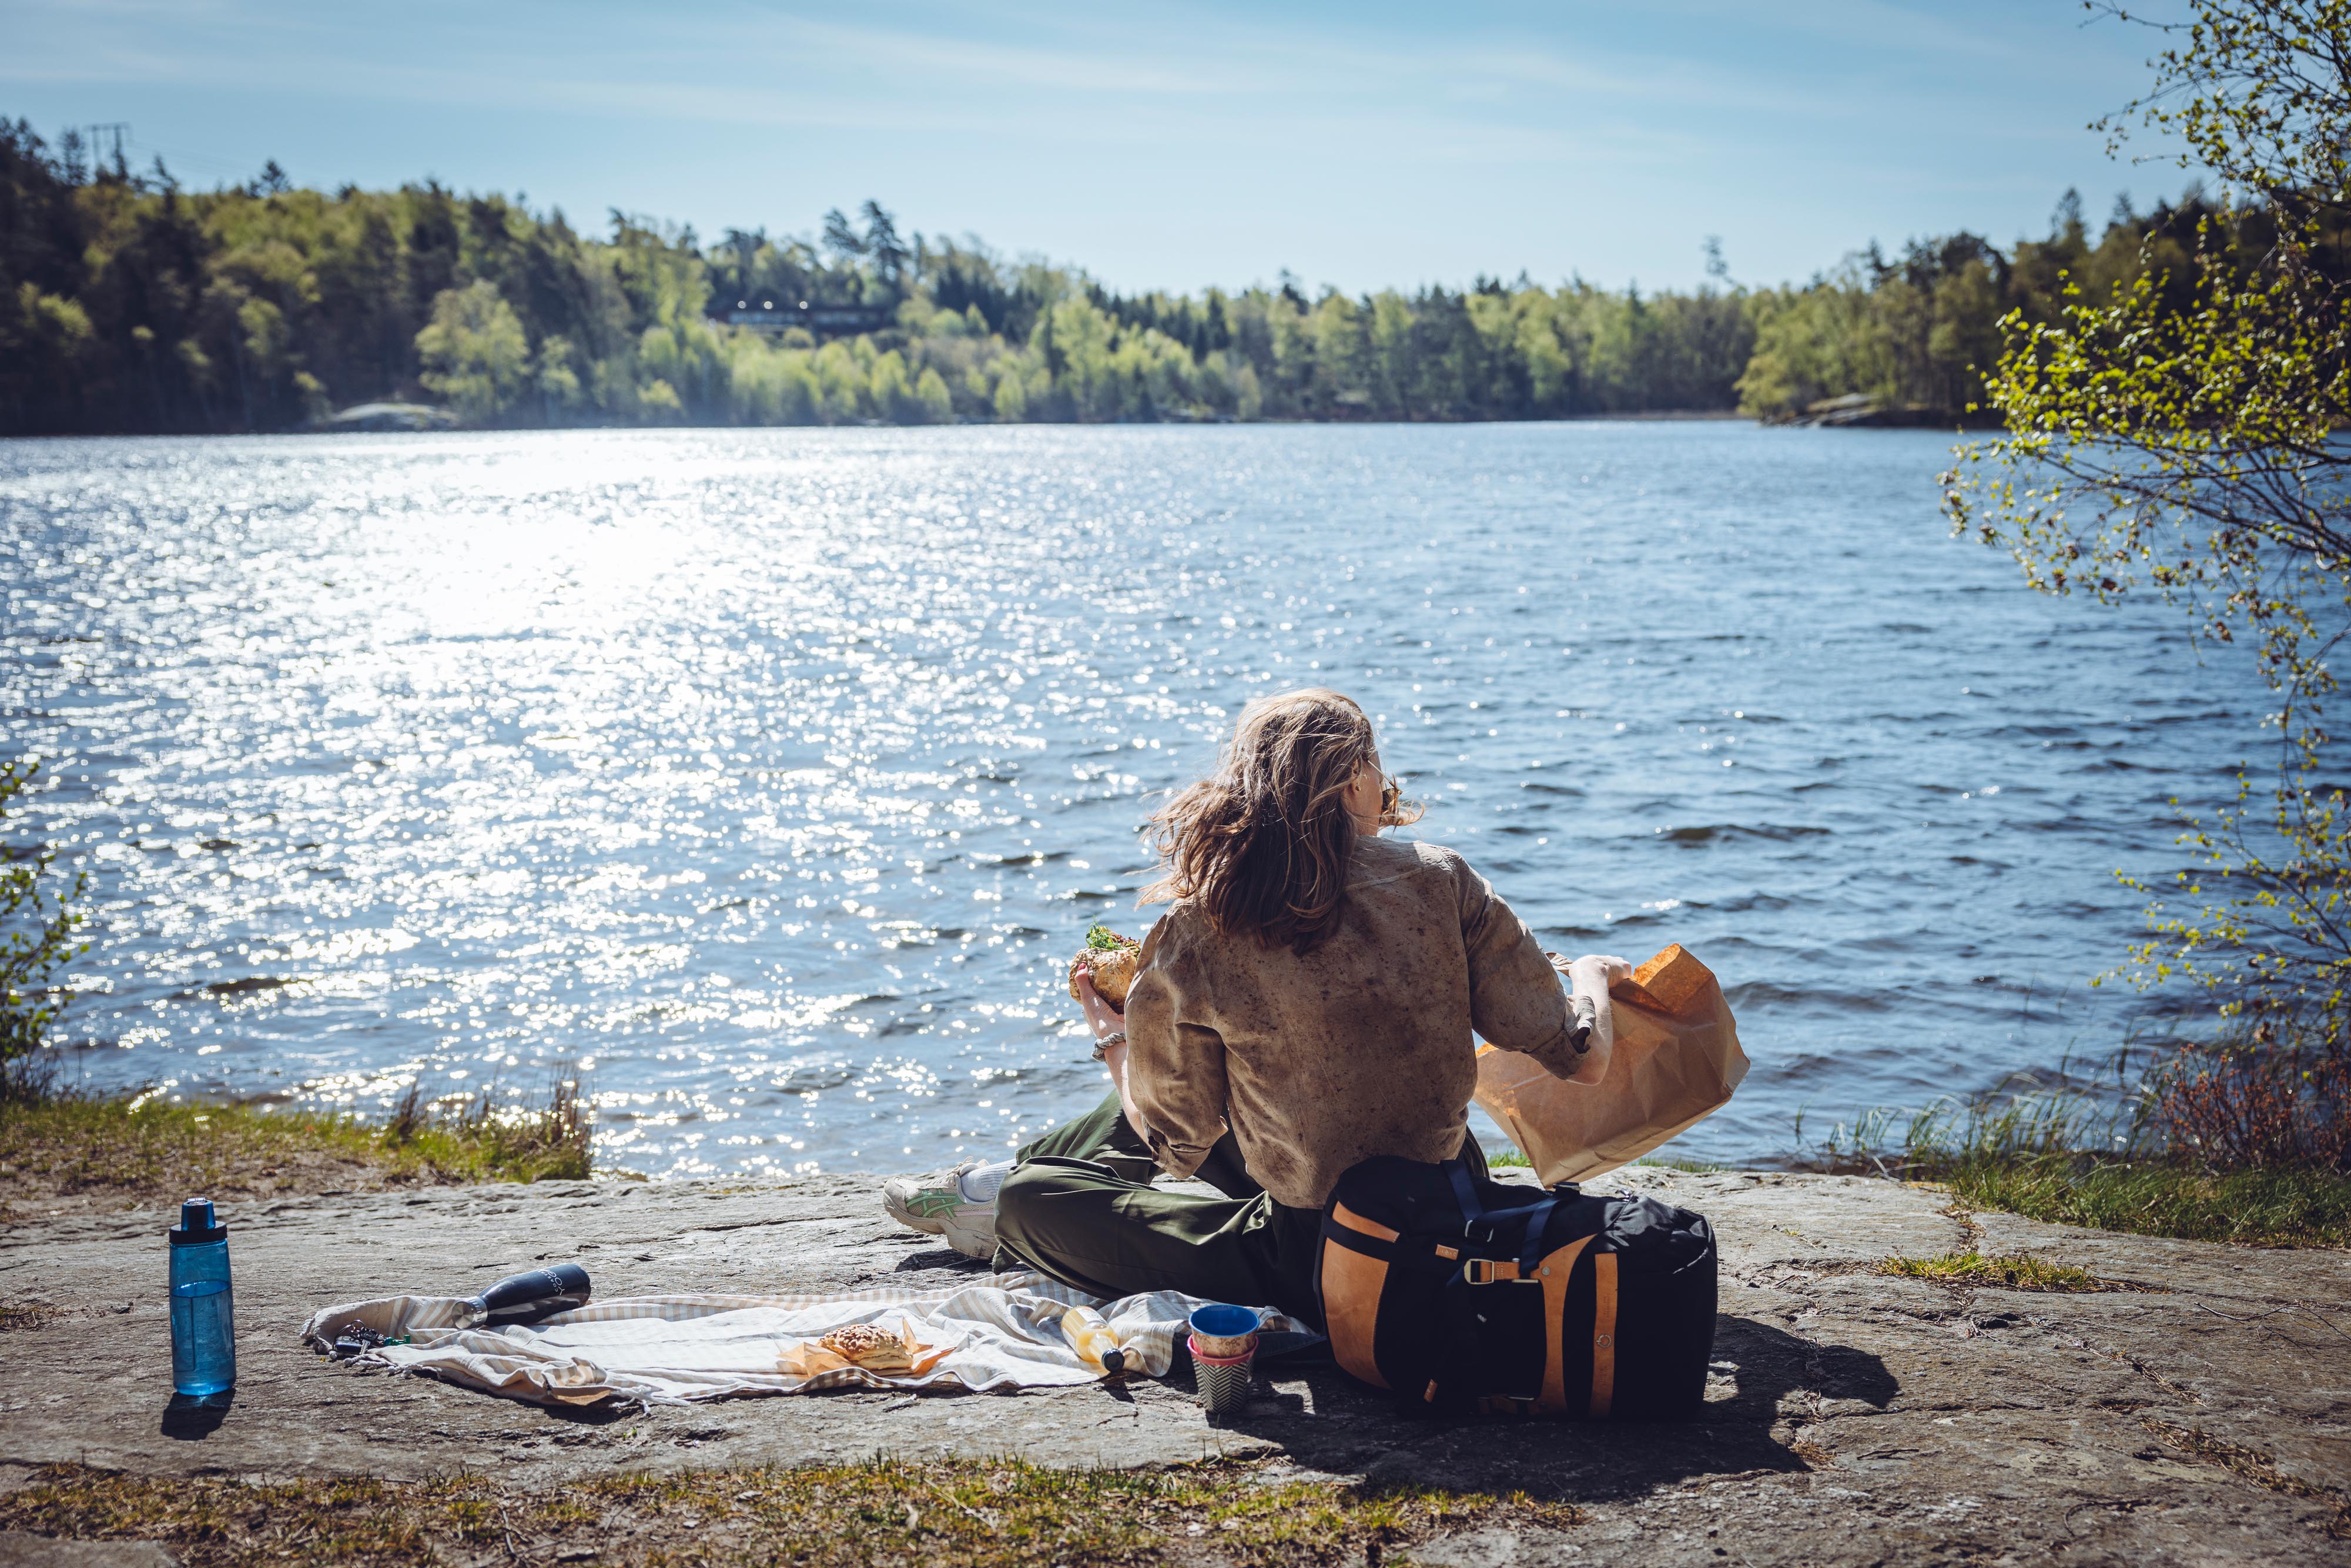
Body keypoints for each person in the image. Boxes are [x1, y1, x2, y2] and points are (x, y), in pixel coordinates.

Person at [882, 688, 1626, 1325]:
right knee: (1210, 1080)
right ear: (1351, 781)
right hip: (1446, 1199)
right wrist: (1589, 975)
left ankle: (998, 1196)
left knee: (1038, 1199)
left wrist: (1112, 1040)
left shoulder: (1202, 922)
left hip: (1315, 1255)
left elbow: (1173, 1143)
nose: (1385, 791)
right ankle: (989, 1190)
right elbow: (1583, 1063)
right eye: (1378, 772)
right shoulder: (1444, 880)